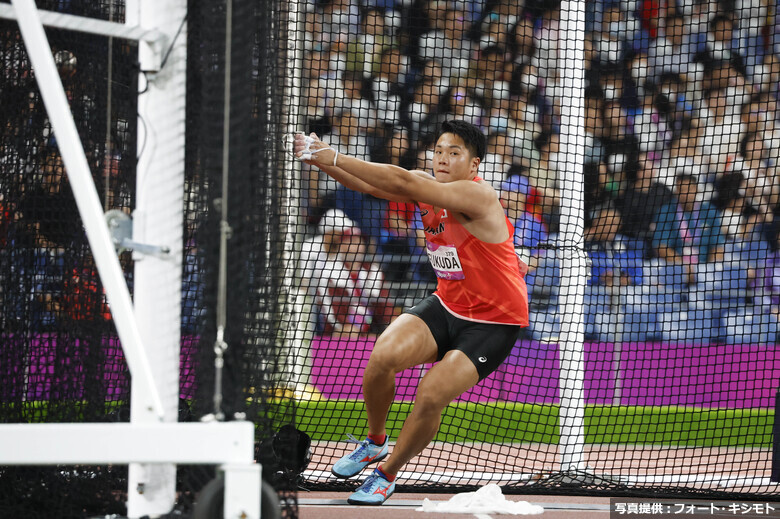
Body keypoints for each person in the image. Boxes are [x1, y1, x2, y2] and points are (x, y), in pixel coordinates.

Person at [293, 120, 528, 505]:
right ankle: (375, 441)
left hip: (493, 321)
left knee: (431, 394)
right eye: (438, 151)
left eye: (454, 153)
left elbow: (402, 183)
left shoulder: (477, 195)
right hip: (448, 303)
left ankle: (387, 474)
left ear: (474, 165)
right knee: (382, 357)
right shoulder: (428, 188)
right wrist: (317, 158)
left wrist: (331, 153)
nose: (443, 159)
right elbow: (371, 185)